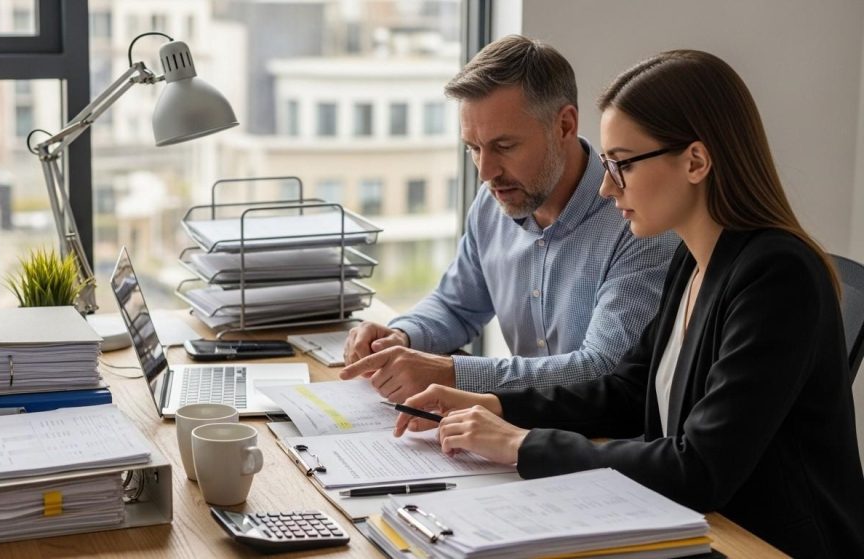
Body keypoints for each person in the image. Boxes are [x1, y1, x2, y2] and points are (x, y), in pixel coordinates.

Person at [393, 49, 864, 557]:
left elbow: (699, 468)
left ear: (696, 161)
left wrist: (518, 444)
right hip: (692, 525)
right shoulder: (694, 259)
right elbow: (623, 391)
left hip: (764, 543)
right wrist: (498, 406)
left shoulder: (778, 275)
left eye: (621, 164)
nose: (604, 185)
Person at [340, 36, 677, 403]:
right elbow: (457, 305)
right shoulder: (494, 201)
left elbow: (601, 368)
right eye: (473, 148)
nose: (486, 172)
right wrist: (401, 336)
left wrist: (451, 373)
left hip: (599, 443)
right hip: (519, 431)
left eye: (504, 146)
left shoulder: (639, 222)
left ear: (564, 125)